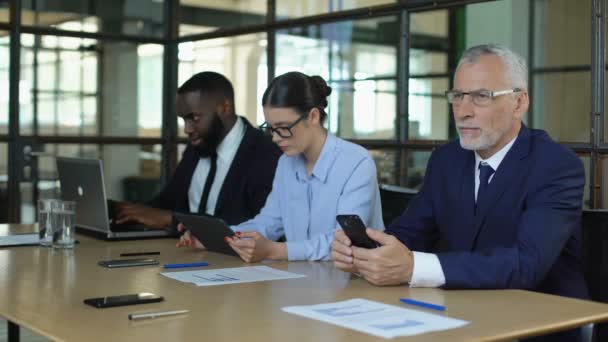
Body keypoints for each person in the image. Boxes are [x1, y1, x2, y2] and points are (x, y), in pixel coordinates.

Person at [332, 44, 587, 341]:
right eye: (457, 96)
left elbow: (525, 264)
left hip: (537, 325)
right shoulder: (447, 160)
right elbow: (411, 232)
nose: (463, 111)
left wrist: (414, 268)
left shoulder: (556, 165)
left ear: (519, 103)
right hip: (454, 315)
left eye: (481, 96)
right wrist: (369, 252)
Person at [179, 71, 384, 262]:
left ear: (313, 116)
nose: (275, 138)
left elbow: (344, 242)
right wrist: (217, 236)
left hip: (353, 282)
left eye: (284, 128)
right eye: (271, 128)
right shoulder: (287, 162)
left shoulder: (356, 162)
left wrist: (277, 250)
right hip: (300, 279)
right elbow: (268, 223)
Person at [114, 71, 281, 230]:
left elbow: (258, 224)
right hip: (182, 252)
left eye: (194, 118)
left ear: (225, 108)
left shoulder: (265, 153)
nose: (187, 129)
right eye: (183, 120)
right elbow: (166, 202)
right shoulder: (199, 145)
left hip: (231, 258)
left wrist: (173, 220)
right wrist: (126, 211)